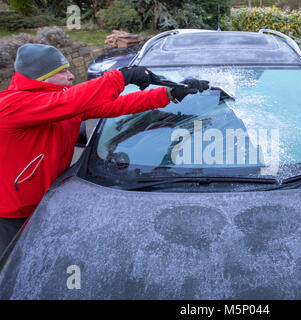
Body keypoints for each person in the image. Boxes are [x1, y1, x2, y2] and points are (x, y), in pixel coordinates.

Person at [0, 43, 209, 255]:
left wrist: (169, 93)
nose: (71, 76)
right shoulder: (9, 106)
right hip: (13, 215)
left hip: (52, 202)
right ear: (42, 78)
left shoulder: (63, 103)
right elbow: (68, 101)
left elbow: (117, 105)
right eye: (63, 72)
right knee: (14, 274)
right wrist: (121, 77)